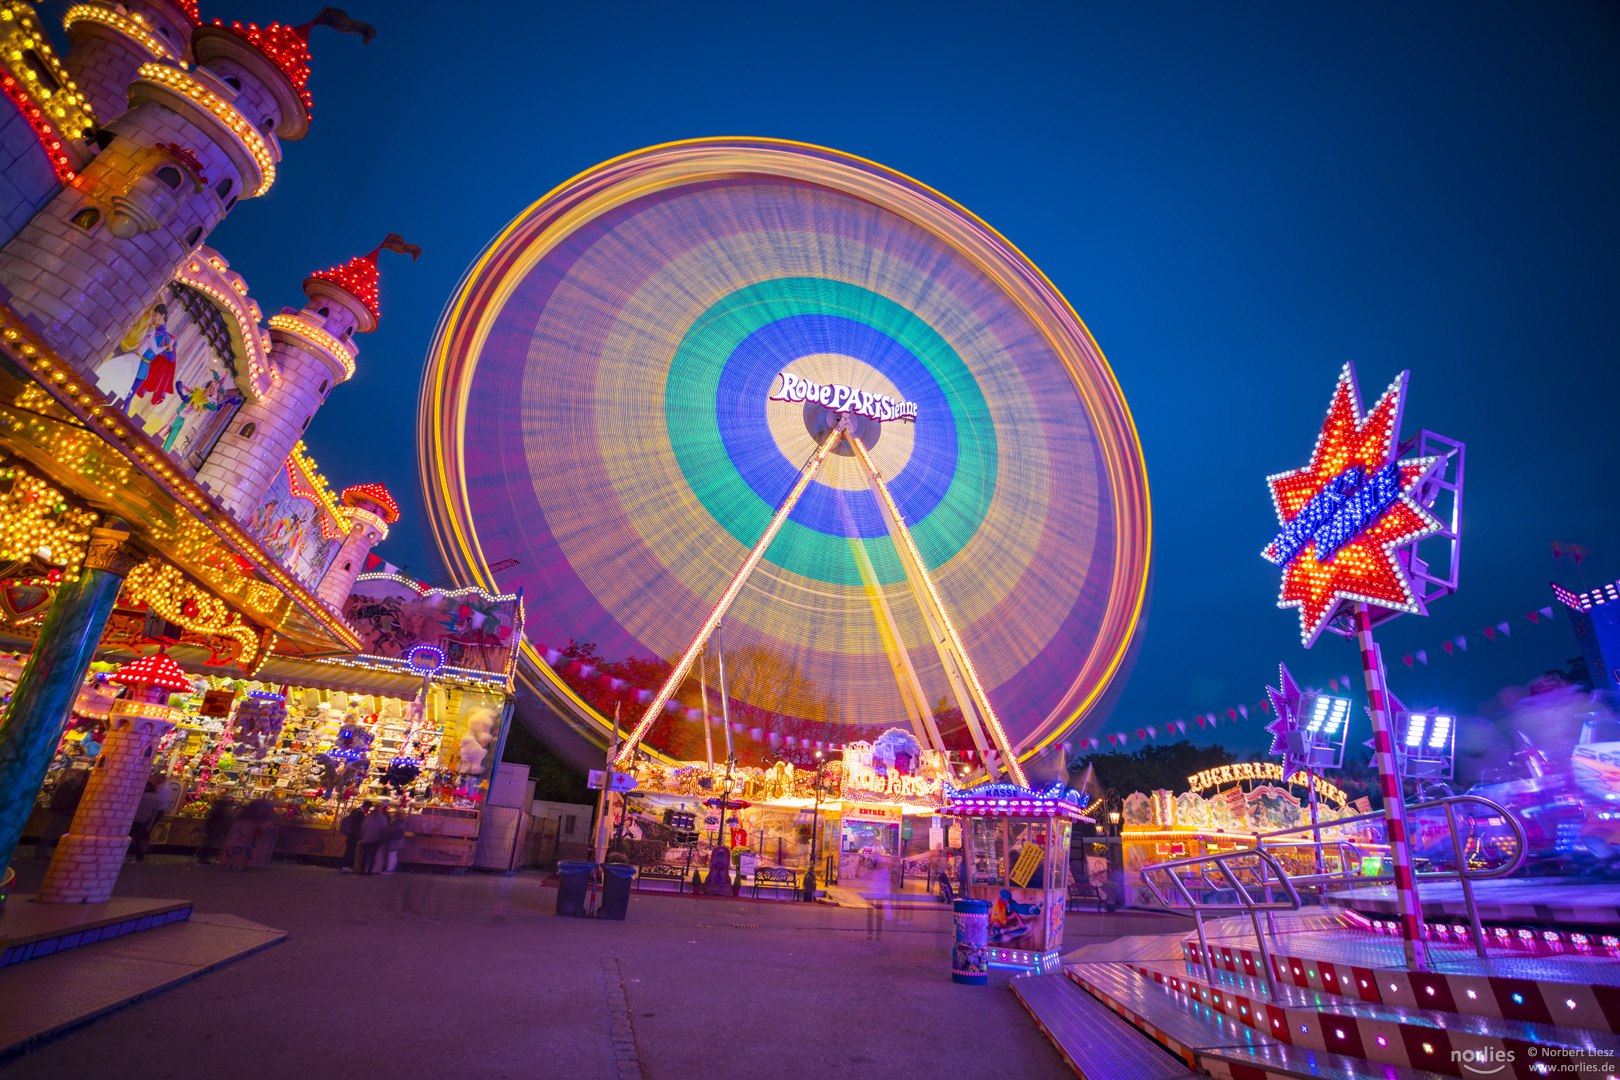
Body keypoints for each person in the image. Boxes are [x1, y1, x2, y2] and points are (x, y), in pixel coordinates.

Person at [35, 767, 89, 860]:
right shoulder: (71, 786)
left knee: (53, 832)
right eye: (85, 778)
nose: (85, 781)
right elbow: (66, 799)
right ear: (80, 777)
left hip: (62, 810)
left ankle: (43, 853)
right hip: (61, 811)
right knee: (52, 832)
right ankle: (41, 853)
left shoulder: (71, 785)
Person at [198, 795, 235, 864]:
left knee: (209, 843)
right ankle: (219, 858)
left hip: (212, 828)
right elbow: (227, 818)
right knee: (213, 842)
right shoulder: (223, 810)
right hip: (217, 829)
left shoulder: (215, 809)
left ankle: (204, 858)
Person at [130, 782, 161, 861]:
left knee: (131, 836)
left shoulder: (142, 795)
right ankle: (139, 856)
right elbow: (154, 812)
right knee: (139, 838)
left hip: (136, 818)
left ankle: (130, 854)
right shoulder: (156, 797)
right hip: (145, 819)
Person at [358, 802, 389, 875]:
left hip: (366, 838)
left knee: (365, 855)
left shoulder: (368, 817)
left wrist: (362, 836)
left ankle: (363, 870)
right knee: (372, 855)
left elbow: (363, 827)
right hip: (376, 838)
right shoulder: (383, 818)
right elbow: (385, 828)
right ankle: (369, 871)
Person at [339, 801, 368, 873]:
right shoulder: (360, 813)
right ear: (365, 806)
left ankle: (344, 866)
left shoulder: (355, 810)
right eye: (368, 808)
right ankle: (346, 866)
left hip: (351, 834)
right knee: (351, 851)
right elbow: (358, 825)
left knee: (349, 850)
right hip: (354, 835)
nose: (368, 810)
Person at [380, 806, 407, 875]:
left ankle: (389, 870)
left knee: (391, 854)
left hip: (395, 839)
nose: (394, 814)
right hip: (397, 839)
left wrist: (387, 830)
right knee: (393, 854)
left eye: (396, 813)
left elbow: (395, 829)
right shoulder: (401, 821)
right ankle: (390, 869)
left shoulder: (399, 821)